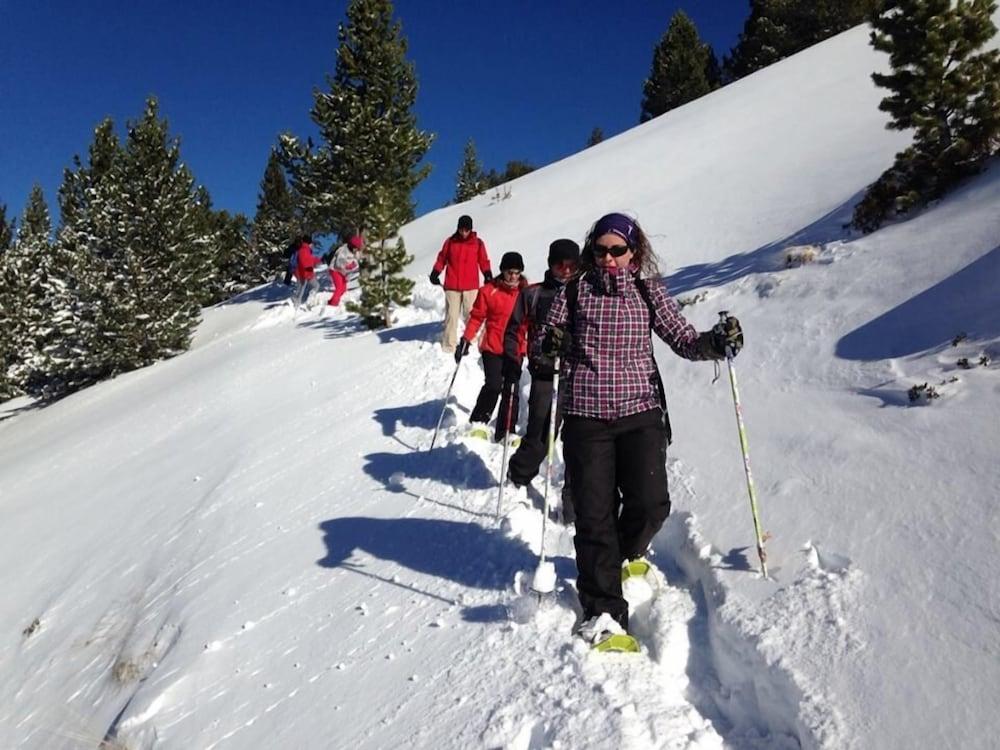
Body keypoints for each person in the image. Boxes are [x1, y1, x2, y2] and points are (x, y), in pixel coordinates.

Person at [535, 212, 743, 646]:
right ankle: (604, 611)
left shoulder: (648, 291)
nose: (609, 258)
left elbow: (684, 339)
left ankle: (627, 552)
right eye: (601, 250)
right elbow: (544, 341)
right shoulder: (574, 291)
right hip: (586, 417)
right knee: (594, 516)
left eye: (618, 250)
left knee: (651, 505)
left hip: (640, 413)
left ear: (635, 252)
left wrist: (716, 343)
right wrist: (552, 343)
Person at [501, 239, 580, 515]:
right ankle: (518, 475)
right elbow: (513, 329)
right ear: (550, 264)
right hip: (545, 374)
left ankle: (573, 503)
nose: (566, 270)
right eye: (560, 264)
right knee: (541, 433)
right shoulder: (534, 294)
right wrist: (513, 357)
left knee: (580, 442)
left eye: (572, 265)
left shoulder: (586, 294)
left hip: (581, 376)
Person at [455, 252, 528, 440]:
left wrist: (527, 345)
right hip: (493, 347)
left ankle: (506, 430)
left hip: (515, 348)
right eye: (509, 272)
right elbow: (477, 317)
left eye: (517, 272)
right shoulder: (489, 291)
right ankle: (479, 421)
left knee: (511, 388)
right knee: (494, 385)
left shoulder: (526, 293)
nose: (513, 277)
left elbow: (530, 323)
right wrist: (466, 339)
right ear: (502, 271)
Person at [429, 215, 493, 353]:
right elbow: (442, 259)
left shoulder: (478, 243)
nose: (464, 233)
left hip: (471, 286)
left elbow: (483, 261)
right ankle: (448, 345)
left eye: (466, 230)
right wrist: (436, 272)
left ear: (471, 229)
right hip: (452, 285)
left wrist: (487, 273)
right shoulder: (450, 242)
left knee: (471, 314)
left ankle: (471, 341)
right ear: (458, 228)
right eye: (461, 229)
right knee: (451, 316)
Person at [327, 234, 363, 307]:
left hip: (342, 272)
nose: (357, 250)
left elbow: (356, 259)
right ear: (352, 246)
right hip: (335, 270)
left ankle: (331, 301)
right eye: (356, 248)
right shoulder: (343, 251)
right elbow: (339, 265)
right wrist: (349, 266)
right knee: (339, 288)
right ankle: (333, 304)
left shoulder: (353, 252)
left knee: (343, 289)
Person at [294, 235, 323, 309]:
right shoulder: (303, 250)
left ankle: (310, 299)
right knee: (301, 290)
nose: (312, 245)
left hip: (308, 273)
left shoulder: (307, 250)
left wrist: (319, 260)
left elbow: (311, 259)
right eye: (311, 243)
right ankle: (295, 305)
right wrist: (310, 266)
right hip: (302, 274)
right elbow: (304, 261)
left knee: (316, 285)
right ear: (309, 243)